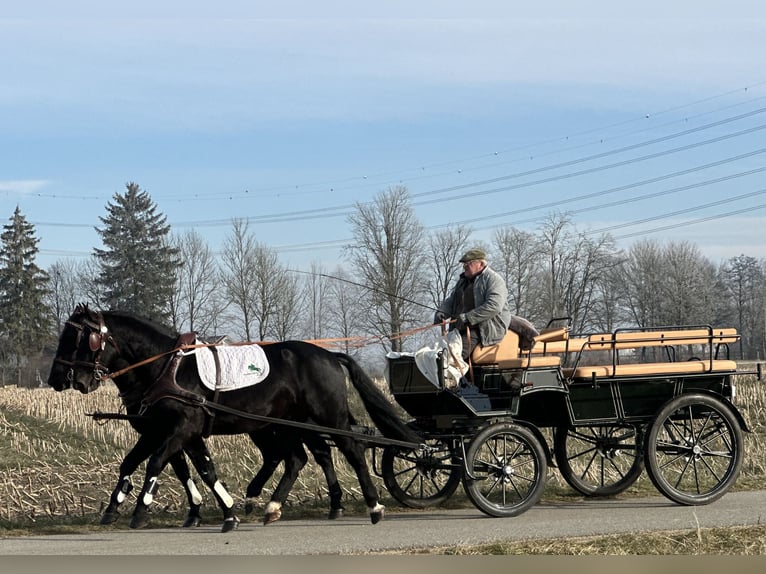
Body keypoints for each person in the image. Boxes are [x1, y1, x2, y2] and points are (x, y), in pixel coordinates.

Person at [434, 248, 512, 361]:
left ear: (480, 263)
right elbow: (452, 300)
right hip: (461, 329)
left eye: (468, 263)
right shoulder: (463, 281)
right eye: (464, 264)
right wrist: (442, 312)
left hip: (483, 329)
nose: (464, 267)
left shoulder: (493, 280)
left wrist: (468, 317)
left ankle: (457, 378)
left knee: (453, 358)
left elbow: (494, 306)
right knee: (440, 353)